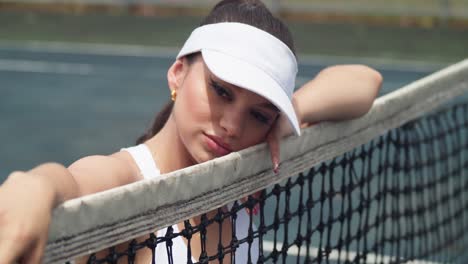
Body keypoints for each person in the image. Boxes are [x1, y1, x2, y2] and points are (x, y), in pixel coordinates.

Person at [0, 0, 383, 263]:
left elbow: (365, 81)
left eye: (258, 114)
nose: (233, 126)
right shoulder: (132, 183)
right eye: (221, 91)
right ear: (178, 72)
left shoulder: (246, 174)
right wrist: (35, 185)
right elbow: (74, 181)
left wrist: (288, 112)